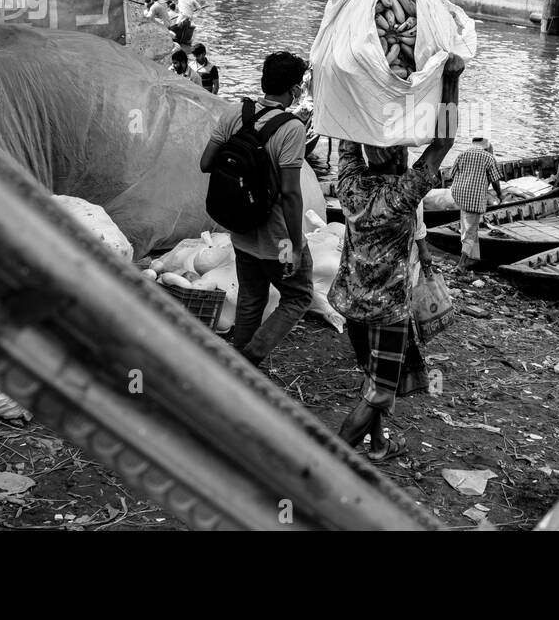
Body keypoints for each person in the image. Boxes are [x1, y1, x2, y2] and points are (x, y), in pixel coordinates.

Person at [330, 55, 464, 461]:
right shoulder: (402, 195)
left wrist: (354, 80)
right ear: (396, 157)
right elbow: (443, 141)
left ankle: (379, 444)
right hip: (387, 310)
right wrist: (452, 80)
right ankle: (327, 461)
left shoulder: (349, 183)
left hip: (350, 303)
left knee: (371, 380)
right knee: (380, 391)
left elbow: (347, 134)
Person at [199, 52, 312, 366]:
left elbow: (206, 163)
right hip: (278, 238)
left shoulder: (234, 113)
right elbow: (290, 194)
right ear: (293, 89)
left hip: (240, 229)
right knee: (298, 296)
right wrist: (296, 247)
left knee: (250, 300)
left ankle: (238, 369)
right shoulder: (291, 129)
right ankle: (251, 356)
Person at [450, 137, 503, 271]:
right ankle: (461, 265)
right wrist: (500, 195)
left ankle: (473, 258)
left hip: (459, 195)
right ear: (487, 147)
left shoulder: (462, 154)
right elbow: (495, 181)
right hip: (474, 199)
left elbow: (451, 175)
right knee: (471, 231)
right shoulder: (488, 157)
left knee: (467, 226)